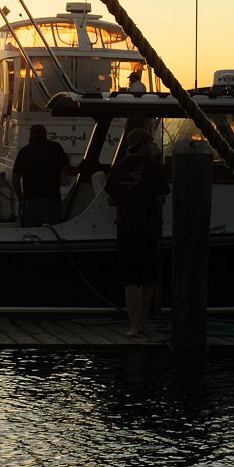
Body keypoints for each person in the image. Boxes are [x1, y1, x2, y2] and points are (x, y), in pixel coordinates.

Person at [106, 127, 170, 336]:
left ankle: (132, 325)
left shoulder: (117, 167)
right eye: (151, 141)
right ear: (143, 145)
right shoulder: (152, 167)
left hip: (125, 227)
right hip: (148, 227)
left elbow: (110, 198)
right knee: (148, 278)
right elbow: (161, 197)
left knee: (130, 279)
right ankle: (141, 323)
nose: (153, 145)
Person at [12, 124, 78, 226]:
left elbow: (15, 180)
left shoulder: (23, 152)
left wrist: (21, 199)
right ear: (45, 134)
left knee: (31, 233)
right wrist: (82, 168)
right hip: (51, 200)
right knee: (50, 232)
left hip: (30, 200)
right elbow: (68, 171)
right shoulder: (55, 147)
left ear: (31, 135)